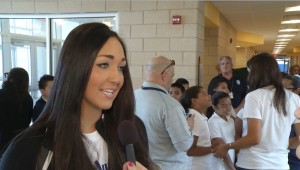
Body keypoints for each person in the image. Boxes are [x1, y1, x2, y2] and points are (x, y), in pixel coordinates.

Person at [0, 23, 150, 170]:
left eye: (120, 68)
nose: (117, 78)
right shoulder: (28, 149)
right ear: (75, 69)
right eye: (104, 65)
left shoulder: (131, 131)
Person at [214, 52, 300, 170]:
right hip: (280, 164)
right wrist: (278, 144)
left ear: (256, 73)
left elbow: (254, 138)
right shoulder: (294, 98)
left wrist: (227, 146)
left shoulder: (254, 96)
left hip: (253, 163)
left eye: (250, 72)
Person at [135, 56, 193, 170]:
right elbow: (183, 145)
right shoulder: (170, 105)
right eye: (172, 76)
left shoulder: (132, 96)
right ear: (164, 75)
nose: (172, 81)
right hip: (168, 166)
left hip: (143, 164)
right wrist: (188, 127)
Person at [180, 86, 214, 170]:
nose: (209, 96)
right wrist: (214, 149)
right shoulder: (194, 118)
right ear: (194, 100)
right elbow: (190, 150)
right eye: (205, 94)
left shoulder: (199, 116)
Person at [0, 67, 33, 151]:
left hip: (2, 138)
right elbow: (28, 120)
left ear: (10, 79)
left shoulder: (1, 94)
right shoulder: (28, 98)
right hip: (21, 139)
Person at [208, 91, 235, 170]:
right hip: (219, 165)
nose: (228, 108)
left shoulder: (230, 120)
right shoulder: (213, 122)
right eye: (224, 106)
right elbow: (220, 148)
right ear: (214, 107)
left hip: (231, 161)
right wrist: (232, 168)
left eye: (230, 105)